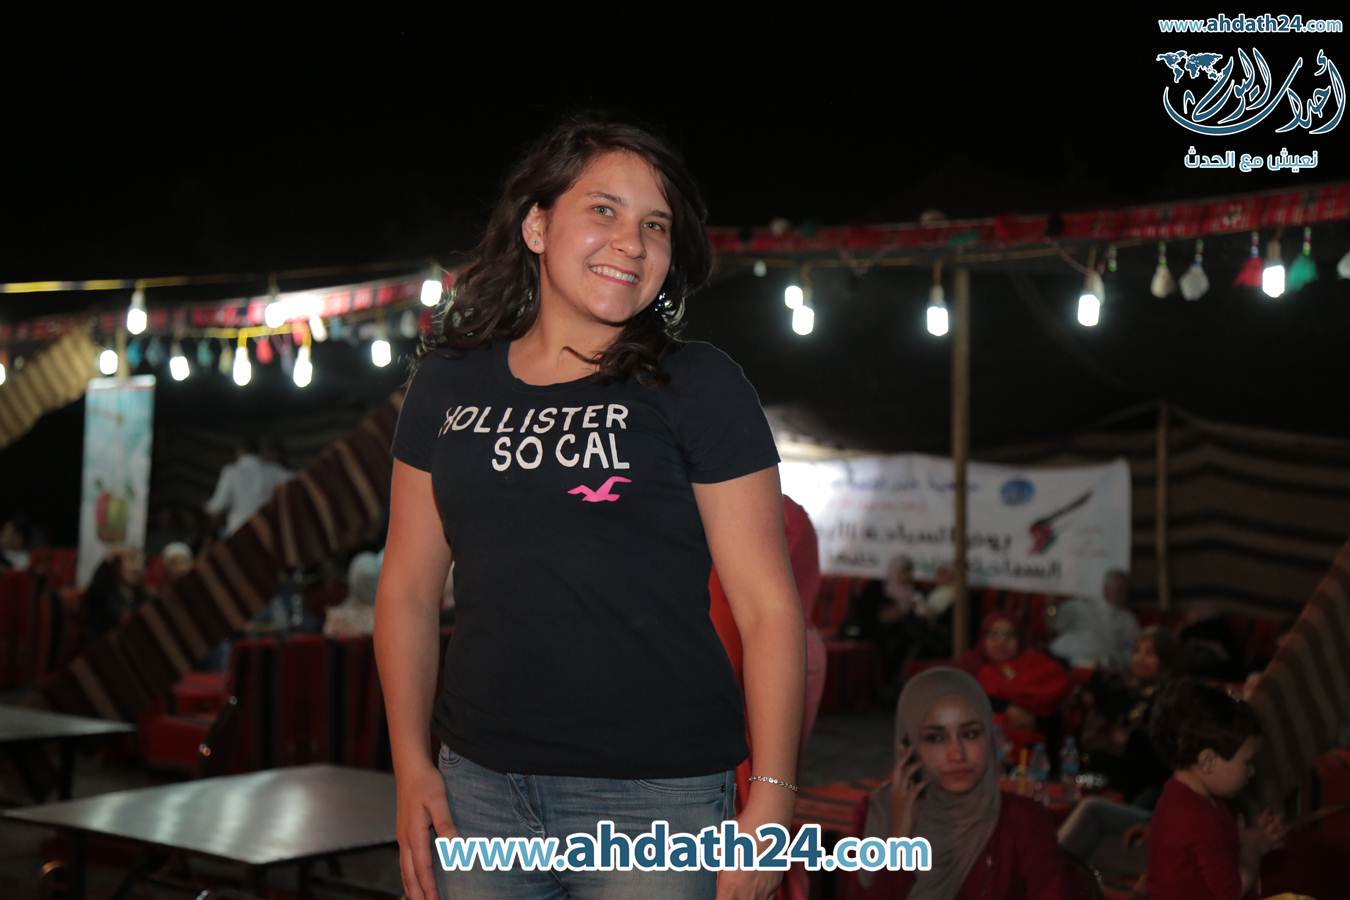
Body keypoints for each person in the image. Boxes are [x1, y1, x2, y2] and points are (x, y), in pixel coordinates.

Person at [375, 114, 804, 900]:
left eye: (655, 225)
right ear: (537, 226)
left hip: (657, 800)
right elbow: (405, 589)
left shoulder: (699, 386)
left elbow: (769, 609)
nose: (631, 243)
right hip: (478, 790)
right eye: (603, 210)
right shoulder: (445, 385)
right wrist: (410, 766)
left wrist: (772, 796)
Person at [853, 667, 1069, 898]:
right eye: (936, 738)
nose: (957, 754)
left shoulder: (1023, 820)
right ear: (909, 747)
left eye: (970, 734)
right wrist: (898, 840)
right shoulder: (879, 814)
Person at [1145, 679, 1287, 900]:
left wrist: (1246, 840)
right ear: (1208, 761)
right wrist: (1252, 849)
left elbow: (1212, 858)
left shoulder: (1181, 795)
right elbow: (1232, 891)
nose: (1252, 772)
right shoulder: (1199, 818)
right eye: (1247, 762)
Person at [960, 612, 1070, 756]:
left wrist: (1034, 720)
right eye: (994, 634)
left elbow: (1052, 702)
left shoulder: (1036, 665)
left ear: (1020, 639)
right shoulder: (971, 667)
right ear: (983, 638)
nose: (1001, 642)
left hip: (1034, 752)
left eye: (1009, 635)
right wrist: (1005, 707)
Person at [203, 436, 293, 538]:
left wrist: (207, 507)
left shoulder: (231, 472)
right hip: (266, 531)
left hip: (238, 530)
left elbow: (217, 506)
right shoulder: (275, 471)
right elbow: (295, 484)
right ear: (259, 451)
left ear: (240, 451)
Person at [1048, 569, 1139, 670]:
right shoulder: (1081, 604)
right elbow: (1052, 623)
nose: (1122, 594)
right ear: (1105, 588)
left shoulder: (1128, 620)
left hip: (1098, 667)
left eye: (1125, 590)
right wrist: (1052, 605)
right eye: (1118, 589)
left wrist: (1113, 661)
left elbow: (1132, 650)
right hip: (1061, 658)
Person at [323, 550, 381, 638]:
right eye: (364, 581)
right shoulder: (337, 617)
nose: (367, 586)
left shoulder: (337, 617)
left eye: (370, 581)